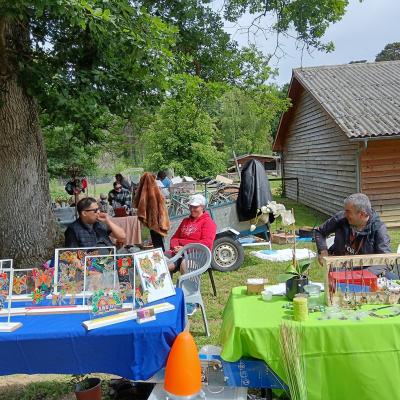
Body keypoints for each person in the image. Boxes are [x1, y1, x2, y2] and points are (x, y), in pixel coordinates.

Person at [315, 193, 391, 276]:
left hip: (364, 278)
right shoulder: (340, 218)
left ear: (361, 214)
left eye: (348, 212)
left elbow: (386, 261)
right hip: (338, 271)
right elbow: (320, 232)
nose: (344, 214)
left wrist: (358, 275)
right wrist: (323, 251)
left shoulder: (379, 229)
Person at [168, 194, 217, 273]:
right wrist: (175, 247)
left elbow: (206, 243)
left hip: (198, 254)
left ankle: (184, 286)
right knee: (160, 262)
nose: (192, 209)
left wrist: (184, 247)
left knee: (185, 265)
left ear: (202, 207)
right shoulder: (185, 221)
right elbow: (174, 238)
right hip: (179, 253)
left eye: (195, 207)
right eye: (190, 206)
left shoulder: (208, 222)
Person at [133, 172, 171, 250]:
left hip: (155, 221)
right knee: (158, 241)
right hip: (155, 221)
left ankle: (161, 254)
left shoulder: (152, 191)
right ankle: (161, 253)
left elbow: (140, 204)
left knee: (158, 241)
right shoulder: (152, 190)